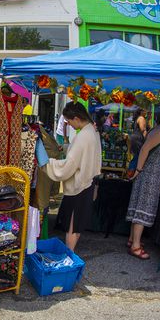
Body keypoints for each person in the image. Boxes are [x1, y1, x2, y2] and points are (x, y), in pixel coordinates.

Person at [46, 102, 102, 251]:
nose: (69, 125)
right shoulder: (92, 130)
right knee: (77, 225)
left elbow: (70, 164)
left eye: (69, 121)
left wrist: (48, 163)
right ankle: (70, 255)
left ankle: (68, 257)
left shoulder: (83, 136)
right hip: (88, 183)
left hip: (79, 186)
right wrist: (66, 148)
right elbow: (89, 158)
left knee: (72, 225)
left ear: (76, 118)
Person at [125, 114, 160, 259]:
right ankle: (136, 247)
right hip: (147, 177)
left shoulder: (159, 134)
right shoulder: (159, 133)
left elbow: (157, 159)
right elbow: (144, 150)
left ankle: (133, 240)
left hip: (150, 176)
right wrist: (138, 170)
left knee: (139, 208)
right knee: (142, 209)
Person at [128, 107, 149, 173]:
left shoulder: (138, 118)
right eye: (145, 110)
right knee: (138, 155)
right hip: (138, 139)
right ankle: (131, 172)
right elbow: (143, 129)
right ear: (141, 111)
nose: (146, 112)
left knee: (137, 155)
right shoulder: (141, 118)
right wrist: (147, 140)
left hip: (135, 138)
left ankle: (132, 171)